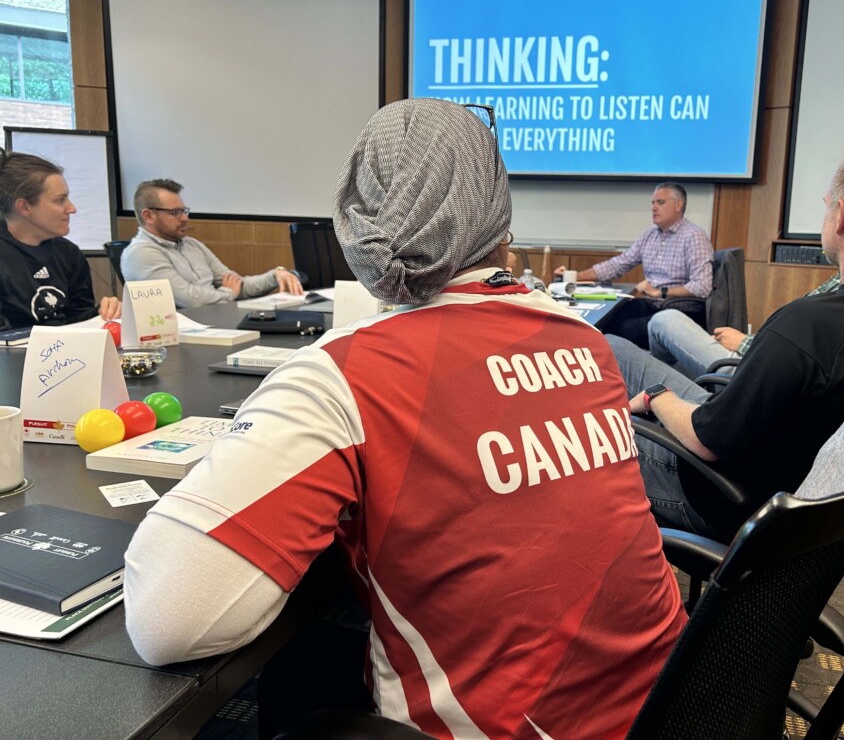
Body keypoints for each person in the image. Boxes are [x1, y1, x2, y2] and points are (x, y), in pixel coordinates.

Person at [123, 99, 684, 739]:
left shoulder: (345, 374)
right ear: (496, 203)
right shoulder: (582, 339)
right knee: (307, 667)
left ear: (355, 210)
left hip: (511, 730)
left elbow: (169, 621)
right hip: (672, 703)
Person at [610, 137, 844, 542]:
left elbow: (705, 443)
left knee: (587, 412)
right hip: (817, 497)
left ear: (841, 215)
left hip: (726, 494)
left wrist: (656, 396)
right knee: (617, 348)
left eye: (826, 205)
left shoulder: (807, 326)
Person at [556, 182, 713, 348]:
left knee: (624, 331)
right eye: (652, 203)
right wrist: (573, 277)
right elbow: (618, 264)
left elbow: (703, 286)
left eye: (660, 203)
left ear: (678, 205)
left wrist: (660, 291)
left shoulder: (694, 236)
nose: (653, 208)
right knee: (607, 320)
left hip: (679, 312)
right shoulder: (650, 235)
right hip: (652, 304)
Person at [120, 178, 303, 308]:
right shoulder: (141, 254)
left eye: (184, 211)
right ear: (149, 216)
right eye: (175, 213)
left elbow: (238, 284)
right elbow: (191, 300)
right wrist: (229, 293)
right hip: (182, 337)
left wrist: (275, 275)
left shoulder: (192, 245)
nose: (185, 218)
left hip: (216, 323)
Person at [0, 149, 120, 330]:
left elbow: (78, 323)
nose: (72, 208)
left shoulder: (68, 253)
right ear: (24, 207)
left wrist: (102, 313)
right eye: (60, 200)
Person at [648, 273, 841, 379]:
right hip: (760, 356)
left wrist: (744, 342)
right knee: (652, 362)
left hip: (757, 373)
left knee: (662, 321)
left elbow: (800, 354)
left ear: (841, 217)